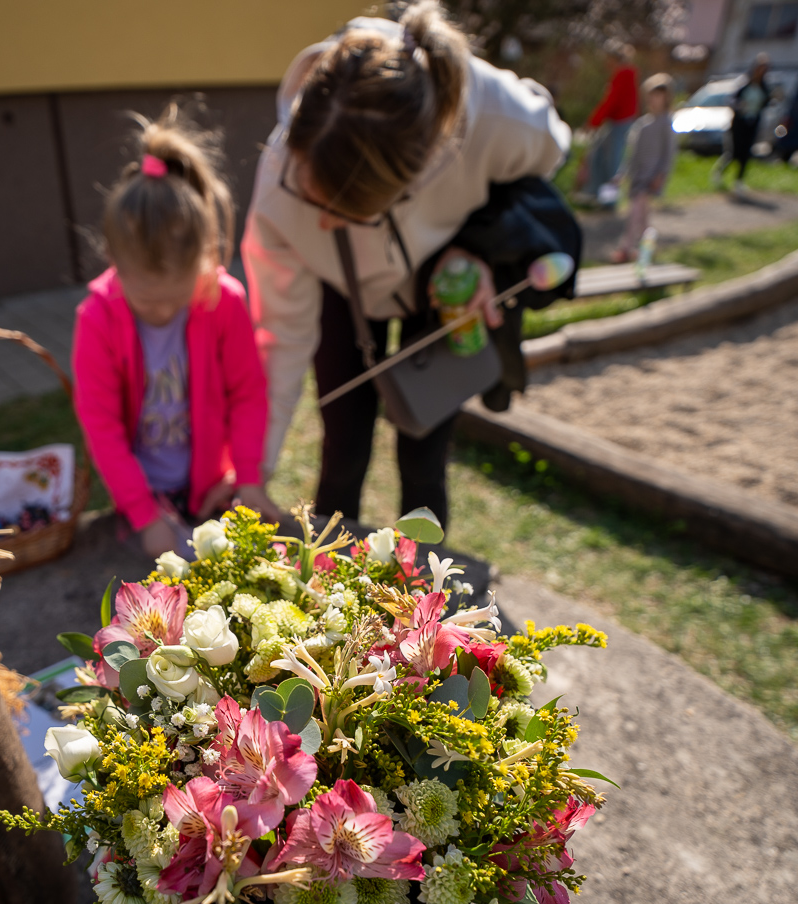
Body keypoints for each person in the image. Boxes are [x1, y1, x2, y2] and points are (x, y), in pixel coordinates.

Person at [242, 1, 568, 530]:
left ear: (410, 180)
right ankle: (332, 563)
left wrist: (479, 245)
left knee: (424, 455)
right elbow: (279, 341)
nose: (319, 223)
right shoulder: (279, 187)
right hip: (340, 289)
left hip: (442, 285)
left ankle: (427, 576)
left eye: (344, 210)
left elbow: (547, 161)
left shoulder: (496, 113)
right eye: (311, 195)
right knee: (343, 445)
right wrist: (254, 473)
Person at [71, 105, 277, 559]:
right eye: (147, 302)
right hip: (142, 496)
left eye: (176, 297)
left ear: (203, 259)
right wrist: (145, 515)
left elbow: (247, 393)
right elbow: (101, 426)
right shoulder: (97, 319)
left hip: (210, 488)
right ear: (114, 263)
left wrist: (247, 477)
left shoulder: (224, 301)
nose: (163, 311)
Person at [611, 74, 676, 264]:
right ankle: (646, 250)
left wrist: (661, 175)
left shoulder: (666, 124)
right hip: (638, 177)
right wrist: (623, 173)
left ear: (666, 98)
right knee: (643, 218)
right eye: (652, 95)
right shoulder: (642, 124)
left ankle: (625, 248)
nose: (654, 100)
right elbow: (632, 155)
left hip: (651, 178)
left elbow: (668, 154)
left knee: (634, 214)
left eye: (658, 96)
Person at [579, 43, 639, 204]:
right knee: (599, 156)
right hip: (617, 122)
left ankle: (609, 201)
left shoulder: (623, 74)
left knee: (613, 163)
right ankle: (596, 194)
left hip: (620, 122)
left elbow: (611, 101)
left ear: (614, 59)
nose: (606, 64)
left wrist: (593, 122)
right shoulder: (624, 74)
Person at [713, 53, 770, 192]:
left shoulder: (764, 88)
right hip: (739, 124)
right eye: (760, 68)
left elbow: (766, 103)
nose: (761, 71)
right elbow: (732, 100)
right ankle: (719, 172)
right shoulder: (744, 84)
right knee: (734, 152)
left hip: (752, 123)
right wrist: (740, 106)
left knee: (746, 153)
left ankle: (738, 181)